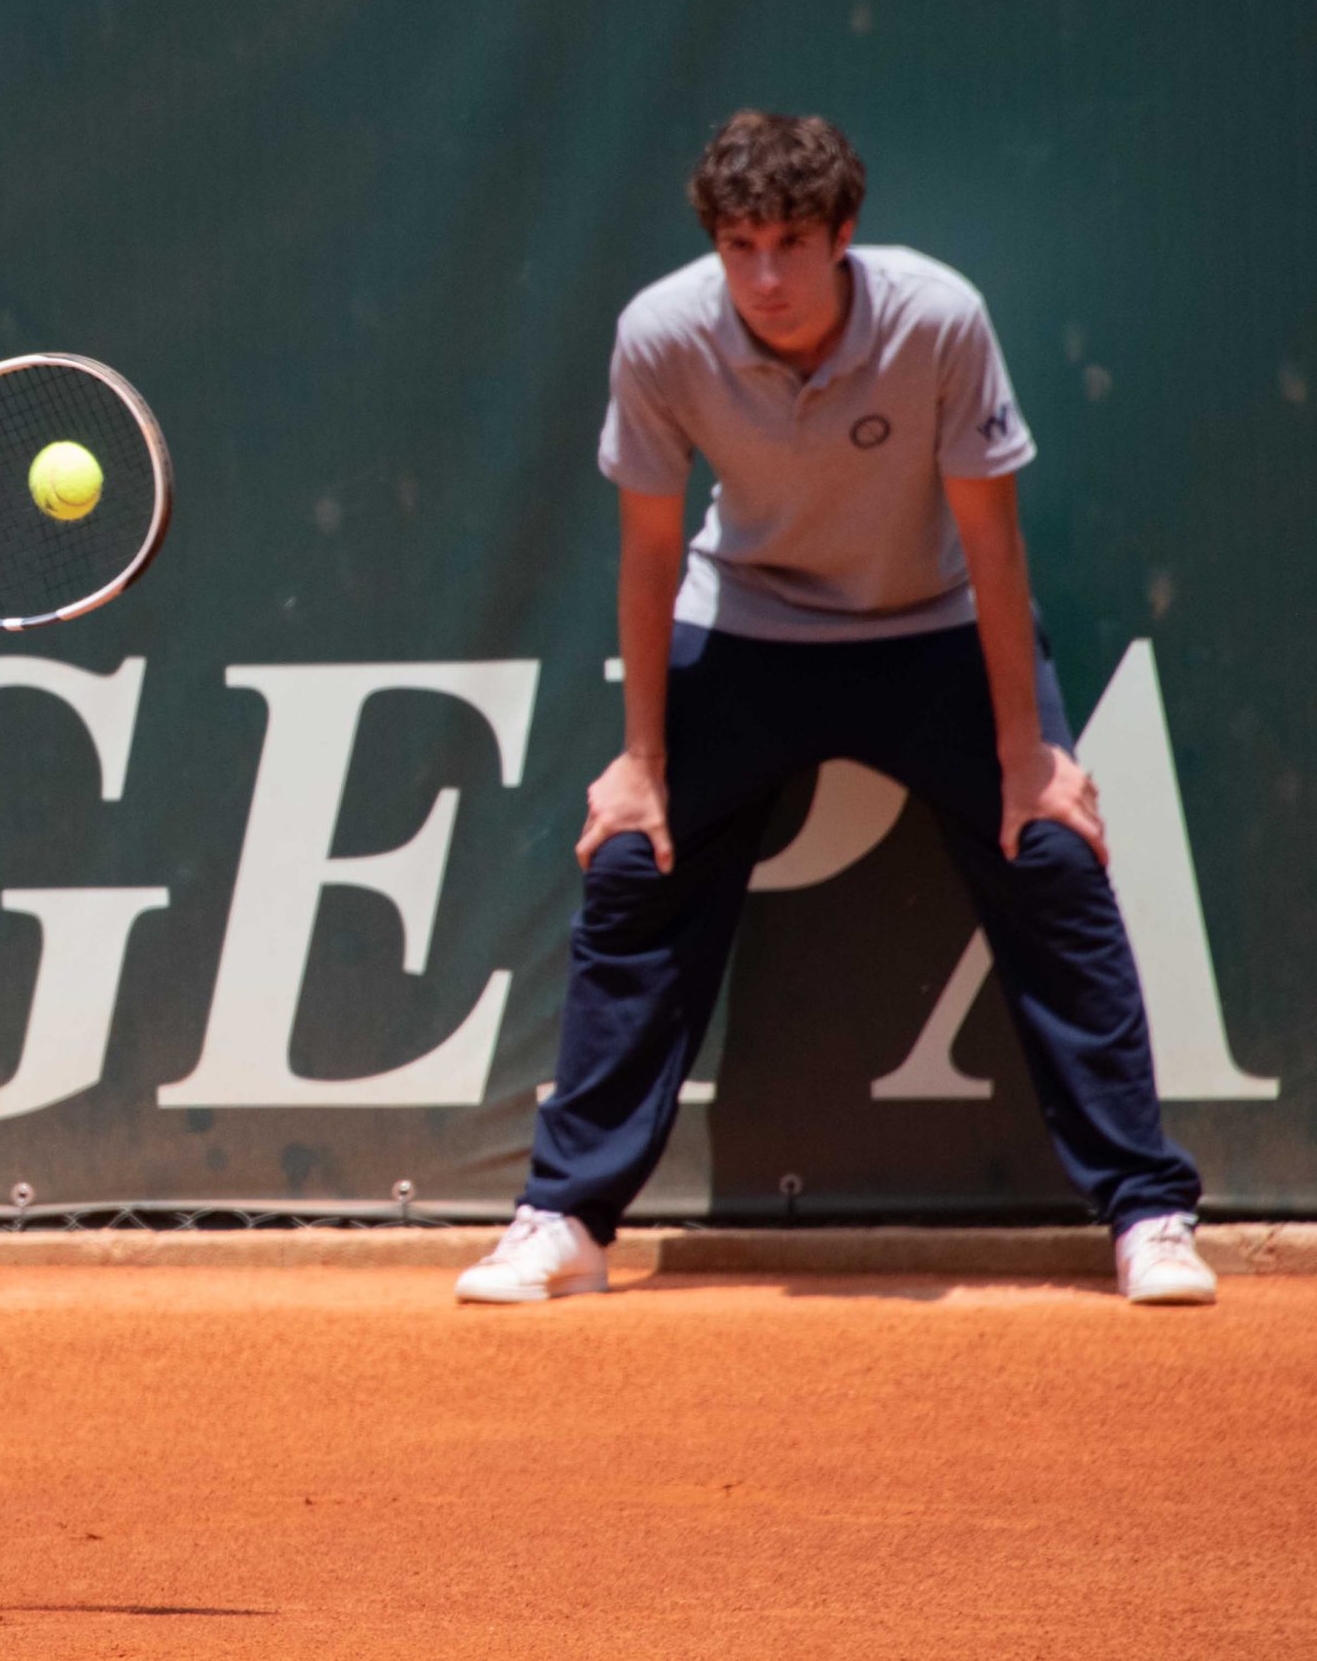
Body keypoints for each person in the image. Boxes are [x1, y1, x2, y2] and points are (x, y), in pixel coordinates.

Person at [454, 112, 1216, 1309]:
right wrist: (641, 760)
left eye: (791, 242)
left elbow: (991, 543)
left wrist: (1027, 756)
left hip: (935, 630)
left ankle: (1146, 1210)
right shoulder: (660, 336)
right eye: (740, 244)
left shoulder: (936, 319)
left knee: (1055, 854)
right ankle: (565, 1216)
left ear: (843, 236)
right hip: (746, 627)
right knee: (630, 867)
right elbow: (650, 555)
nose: (764, 276)